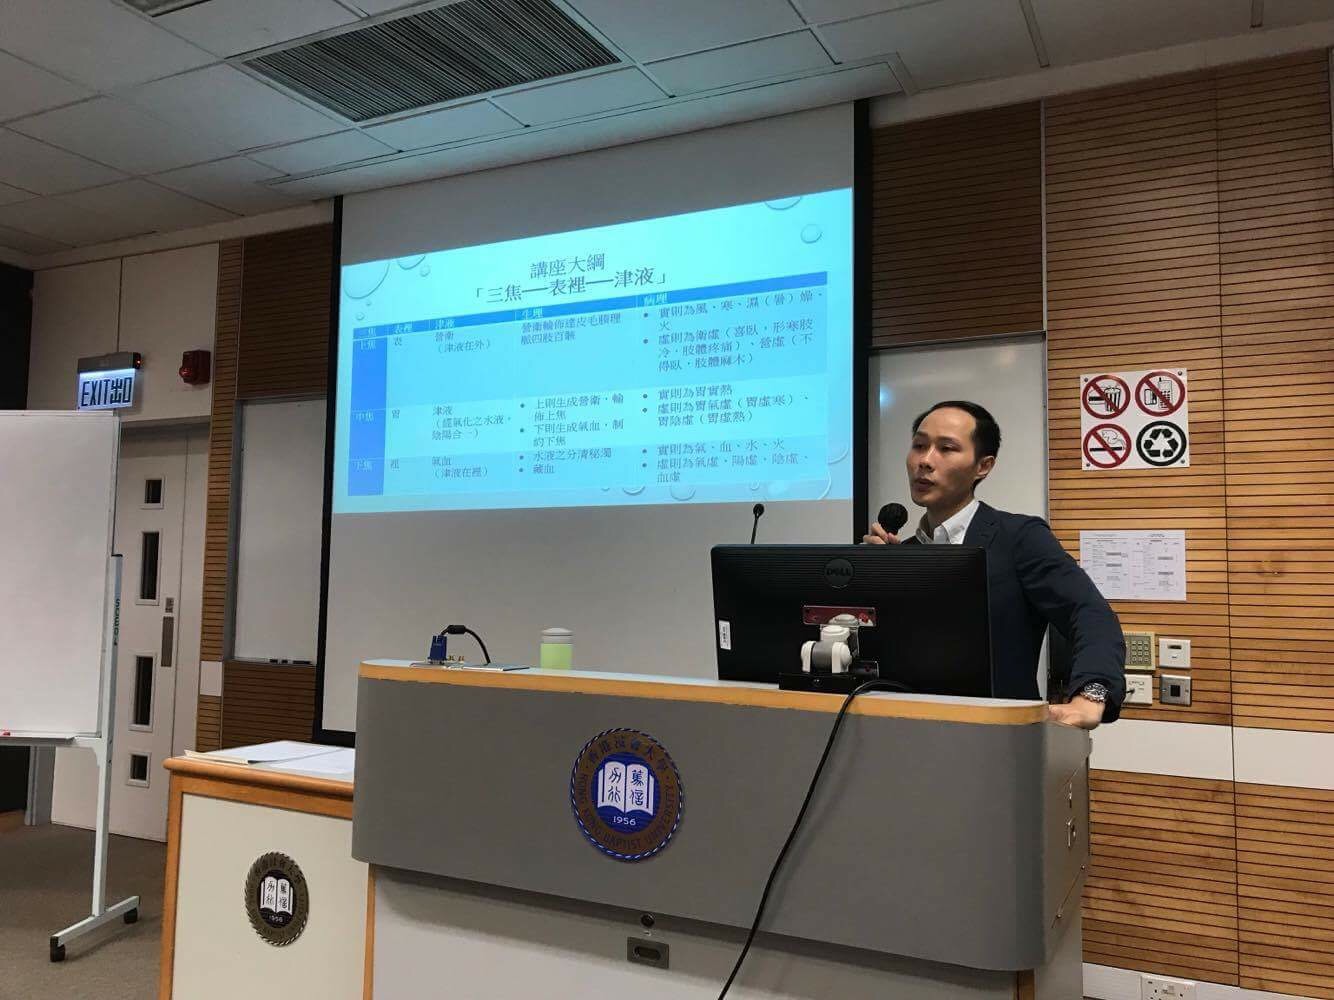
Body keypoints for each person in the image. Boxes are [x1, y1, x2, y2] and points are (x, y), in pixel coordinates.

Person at [864, 400, 1125, 729]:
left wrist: (1092, 694)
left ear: (983, 466)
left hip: (998, 736)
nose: (925, 461)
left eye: (946, 448)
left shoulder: (1018, 538)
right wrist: (871, 582)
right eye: (919, 446)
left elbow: (1089, 613)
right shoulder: (903, 554)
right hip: (902, 729)